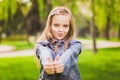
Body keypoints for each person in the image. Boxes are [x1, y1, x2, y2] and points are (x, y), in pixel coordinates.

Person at [35, 6, 82, 80]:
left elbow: (70, 54)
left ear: (70, 27)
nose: (61, 30)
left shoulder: (75, 45)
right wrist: (47, 63)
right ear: (50, 26)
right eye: (56, 25)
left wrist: (61, 63)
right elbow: (44, 53)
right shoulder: (42, 45)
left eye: (65, 26)